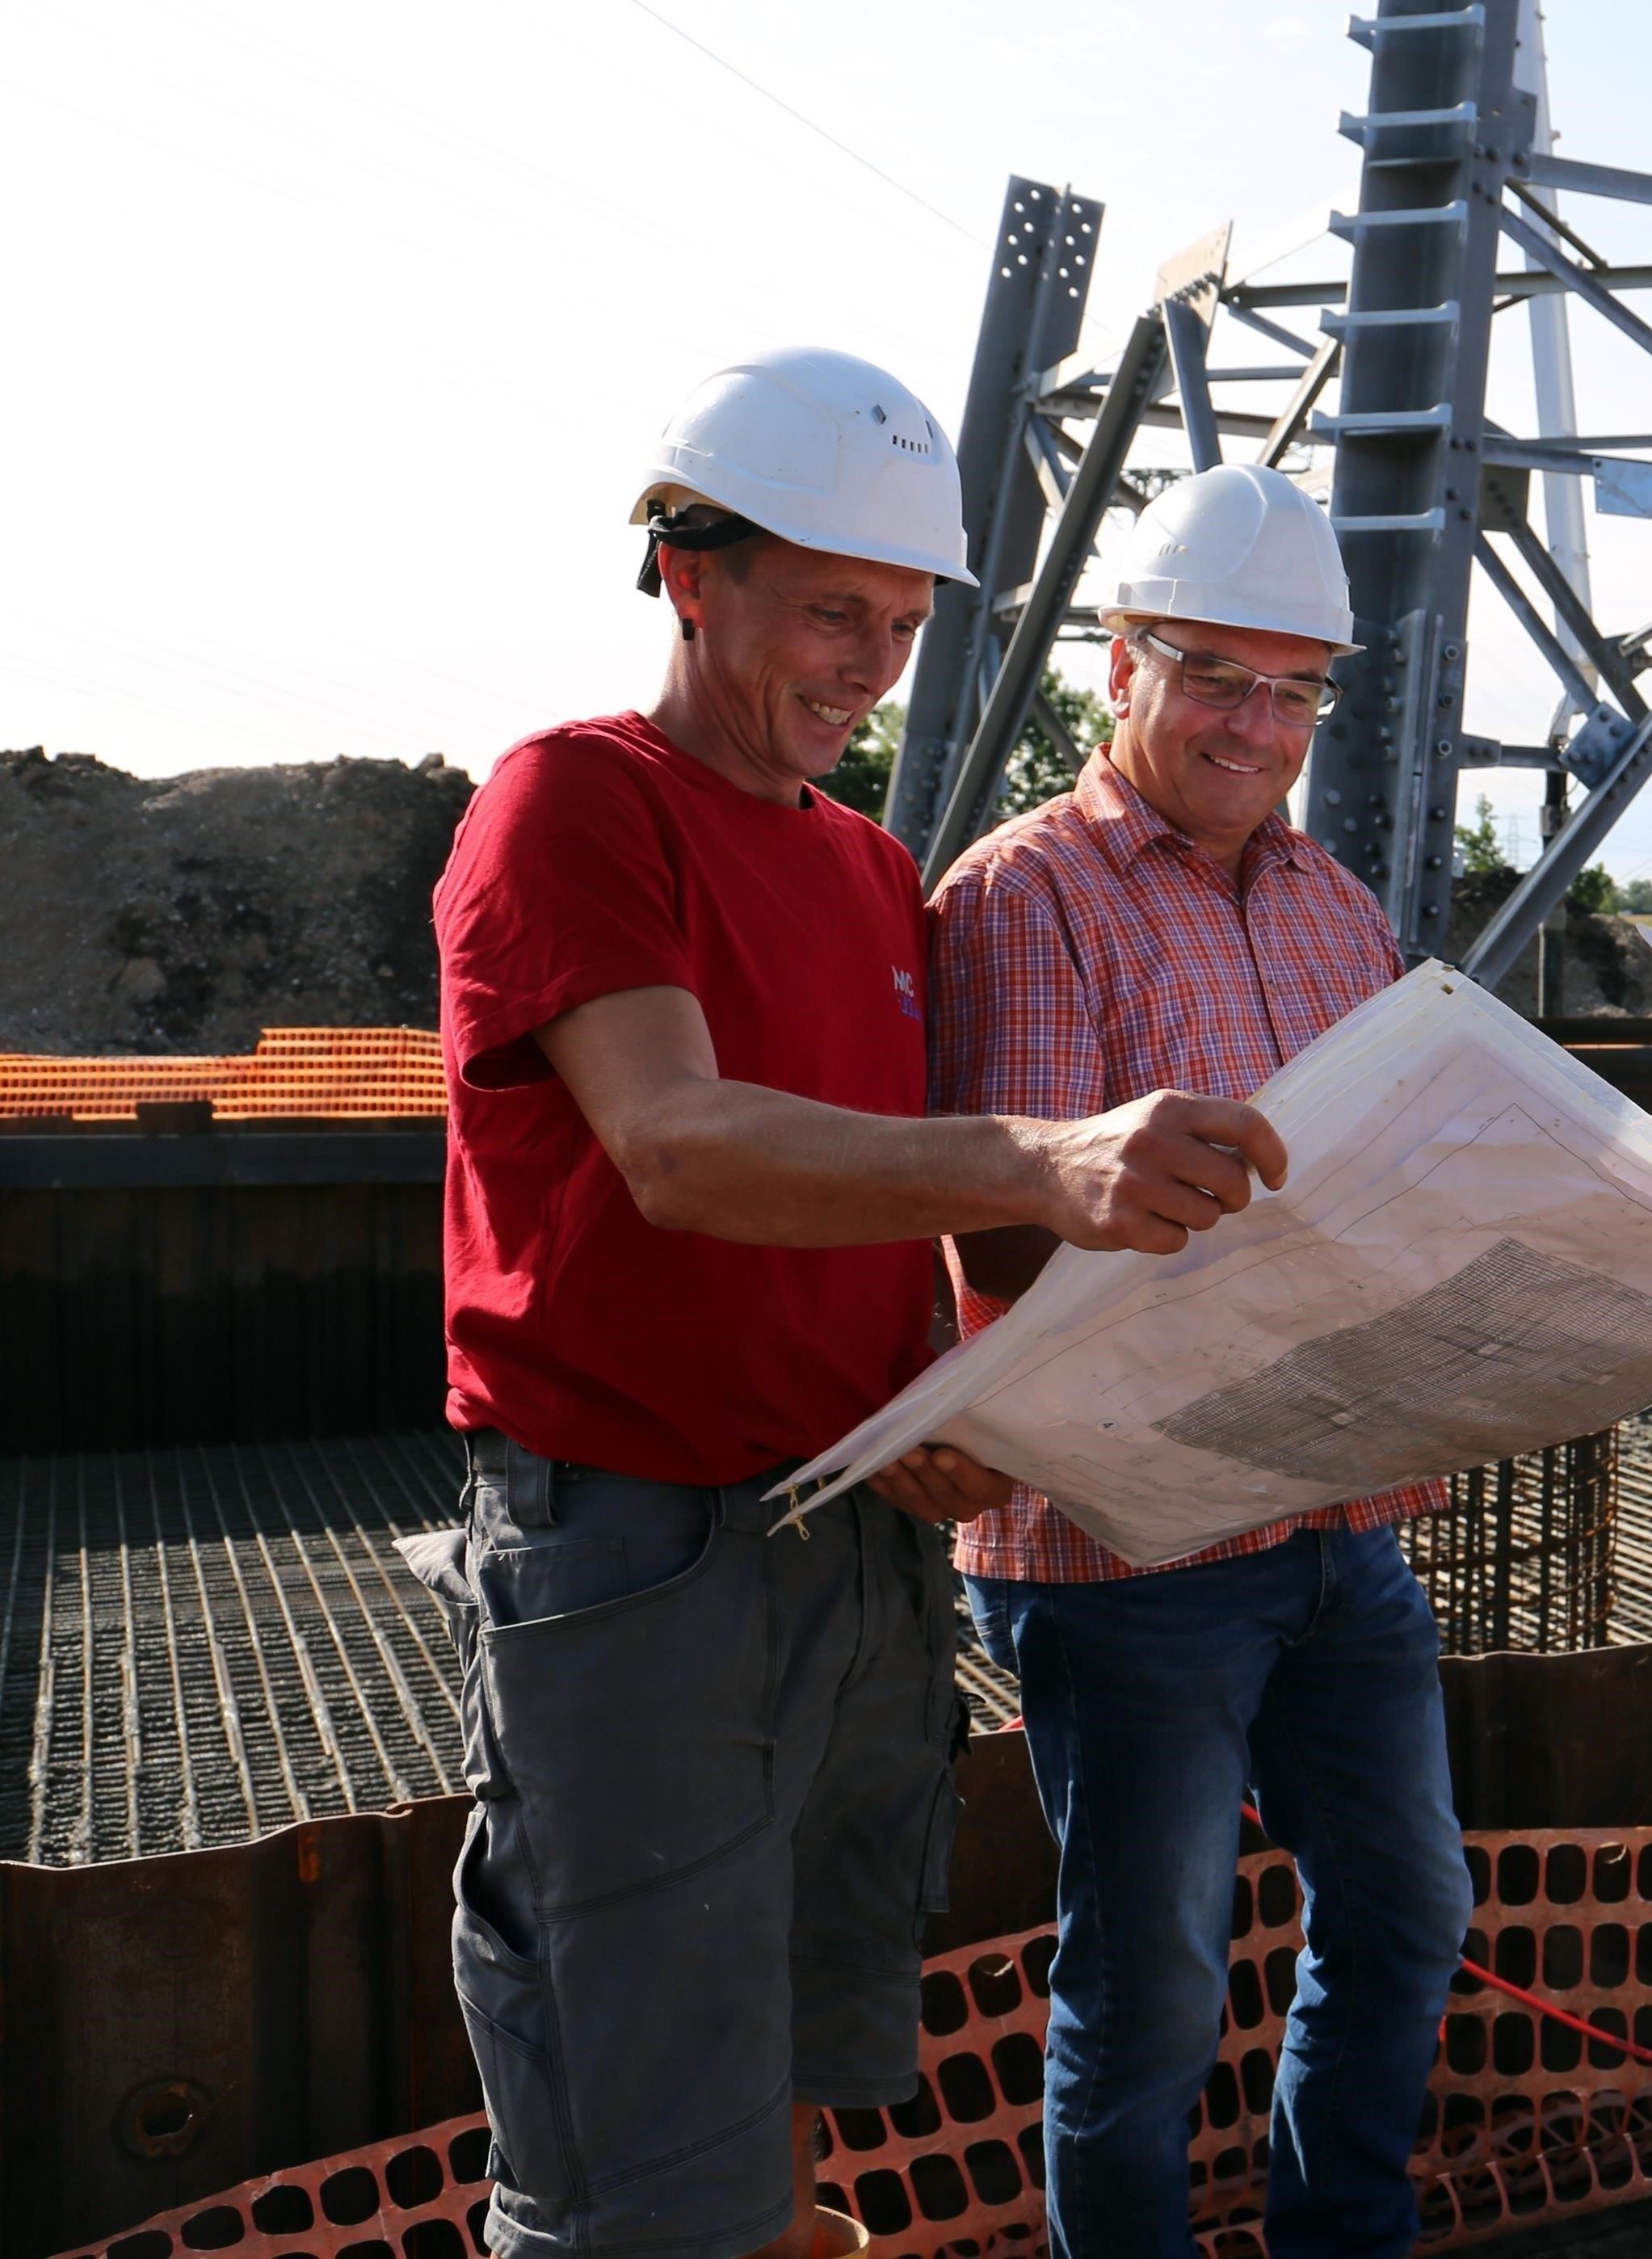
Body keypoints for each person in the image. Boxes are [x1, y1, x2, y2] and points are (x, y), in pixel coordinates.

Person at [427, 350, 1288, 2259]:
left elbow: (863, 1194)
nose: (868, 663)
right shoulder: (576, 802)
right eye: (831, 608)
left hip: (847, 1531)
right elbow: (680, 1144)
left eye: (902, 621)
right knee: (640, 2137)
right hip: (634, 1547)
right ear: (688, 570)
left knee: (797, 2067)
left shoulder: (869, 865)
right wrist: (1035, 1160)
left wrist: (943, 1371)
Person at [928, 463, 1652, 2257]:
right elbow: (1006, 1251)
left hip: (1337, 1523)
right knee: (1149, 1989)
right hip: (1127, 1558)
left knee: (1409, 1912)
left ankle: (1339, 2238)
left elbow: (1409, 1149)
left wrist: (1630, 1174)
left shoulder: (1329, 906)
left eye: (1296, 689)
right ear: (1120, 659)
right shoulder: (1022, 899)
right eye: (1215, 673)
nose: (1255, 724)